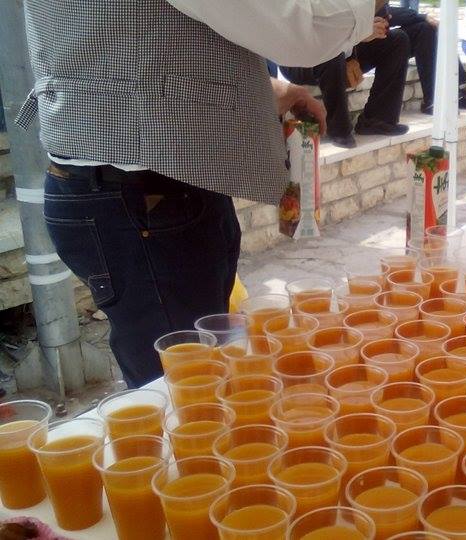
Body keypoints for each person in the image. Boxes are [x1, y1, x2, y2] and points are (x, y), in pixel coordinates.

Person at [15, 0, 373, 388]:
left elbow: (128, 37)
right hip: (142, 198)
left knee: (202, 377)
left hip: (147, 190)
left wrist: (265, 90)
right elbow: (305, 27)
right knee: (190, 392)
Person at [281, 16, 410, 148]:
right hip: (299, 57)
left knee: (397, 39)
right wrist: (359, 33)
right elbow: (319, 29)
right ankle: (339, 130)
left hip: (345, 47)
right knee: (333, 49)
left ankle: (377, 120)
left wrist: (371, 22)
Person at [386, 7, 466, 114]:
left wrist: (423, 18)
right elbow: (385, 14)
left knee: (429, 27)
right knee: (425, 28)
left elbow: (388, 12)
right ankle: (432, 99)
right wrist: (422, 16)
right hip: (374, 45)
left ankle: (455, 93)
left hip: (387, 37)